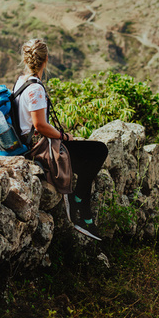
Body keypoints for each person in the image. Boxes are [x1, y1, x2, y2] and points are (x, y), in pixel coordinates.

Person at [16, 38, 108, 241]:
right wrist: (64, 136)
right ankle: (80, 204)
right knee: (99, 151)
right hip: (38, 147)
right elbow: (39, 125)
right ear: (46, 59)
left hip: (29, 143)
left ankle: (80, 202)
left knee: (87, 154)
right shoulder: (35, 88)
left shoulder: (20, 82)